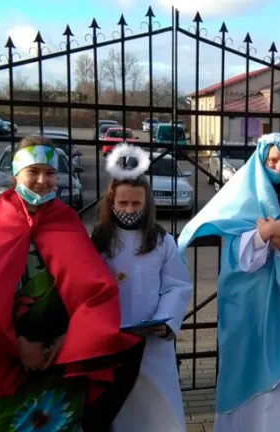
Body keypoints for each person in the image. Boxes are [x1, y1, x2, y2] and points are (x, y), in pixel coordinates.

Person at [0, 136, 141, 432]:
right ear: (15, 175)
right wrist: (18, 344)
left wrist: (69, 340)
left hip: (62, 360)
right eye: (33, 171)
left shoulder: (66, 220)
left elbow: (93, 289)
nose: (42, 180)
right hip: (8, 361)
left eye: (49, 173)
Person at [177, 133, 280, 432]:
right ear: (261, 159)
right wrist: (269, 230)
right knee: (241, 370)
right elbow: (241, 256)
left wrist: (279, 238)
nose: (279, 168)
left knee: (277, 383)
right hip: (246, 303)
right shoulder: (241, 196)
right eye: (273, 160)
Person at [91, 143, 193, 432]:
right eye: (123, 204)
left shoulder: (161, 241)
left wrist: (166, 321)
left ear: (147, 204)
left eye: (136, 204)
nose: (129, 209)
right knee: (120, 407)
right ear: (111, 203)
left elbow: (177, 285)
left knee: (158, 408)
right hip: (115, 339)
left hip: (153, 343)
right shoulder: (99, 241)